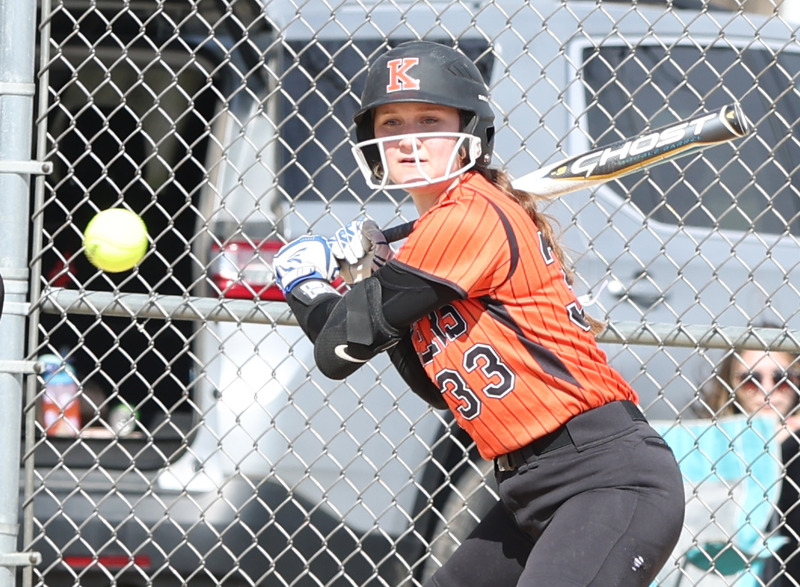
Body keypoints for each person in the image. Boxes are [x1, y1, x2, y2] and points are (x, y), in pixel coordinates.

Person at [273, 40, 685, 586]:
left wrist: (303, 285)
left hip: (605, 479)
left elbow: (338, 351)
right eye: (392, 122)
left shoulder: (467, 219)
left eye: (430, 119)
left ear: (470, 130)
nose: (409, 138)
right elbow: (438, 388)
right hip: (527, 484)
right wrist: (368, 280)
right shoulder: (434, 240)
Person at [703, 344, 800, 585]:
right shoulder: (710, 445)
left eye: (783, 378)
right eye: (750, 379)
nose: (767, 389)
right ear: (731, 383)